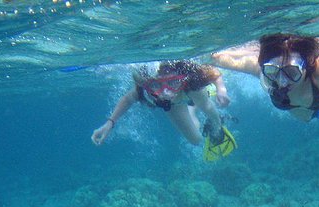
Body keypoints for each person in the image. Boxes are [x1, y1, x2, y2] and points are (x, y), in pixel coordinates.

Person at [92, 60, 236, 161]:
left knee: (205, 105)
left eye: (173, 82)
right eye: (156, 85)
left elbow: (213, 75)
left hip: (188, 93)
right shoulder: (144, 88)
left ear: (181, 79)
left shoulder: (191, 82)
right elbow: (128, 99)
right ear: (147, 84)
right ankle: (191, 109)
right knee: (196, 140)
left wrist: (221, 91)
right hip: (174, 104)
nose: (165, 92)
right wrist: (109, 123)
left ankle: (200, 100)